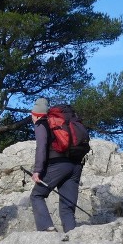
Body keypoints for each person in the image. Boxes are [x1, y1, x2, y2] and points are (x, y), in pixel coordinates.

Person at [29, 97, 84, 234]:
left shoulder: (42, 123)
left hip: (58, 165)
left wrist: (37, 171)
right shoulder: (63, 123)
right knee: (67, 207)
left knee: (37, 195)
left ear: (35, 114)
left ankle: (47, 229)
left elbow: (41, 147)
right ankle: (72, 235)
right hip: (76, 166)